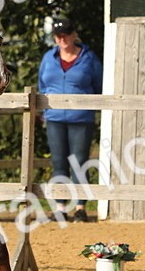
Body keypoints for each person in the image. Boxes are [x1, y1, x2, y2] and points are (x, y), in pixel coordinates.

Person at [38, 18, 103, 222]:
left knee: (79, 163)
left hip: (81, 118)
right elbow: (42, 85)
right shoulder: (49, 58)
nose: (62, 39)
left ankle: (80, 207)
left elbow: (99, 84)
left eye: (66, 34)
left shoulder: (88, 58)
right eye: (58, 35)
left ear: (74, 35)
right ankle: (60, 207)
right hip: (55, 118)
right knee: (59, 163)